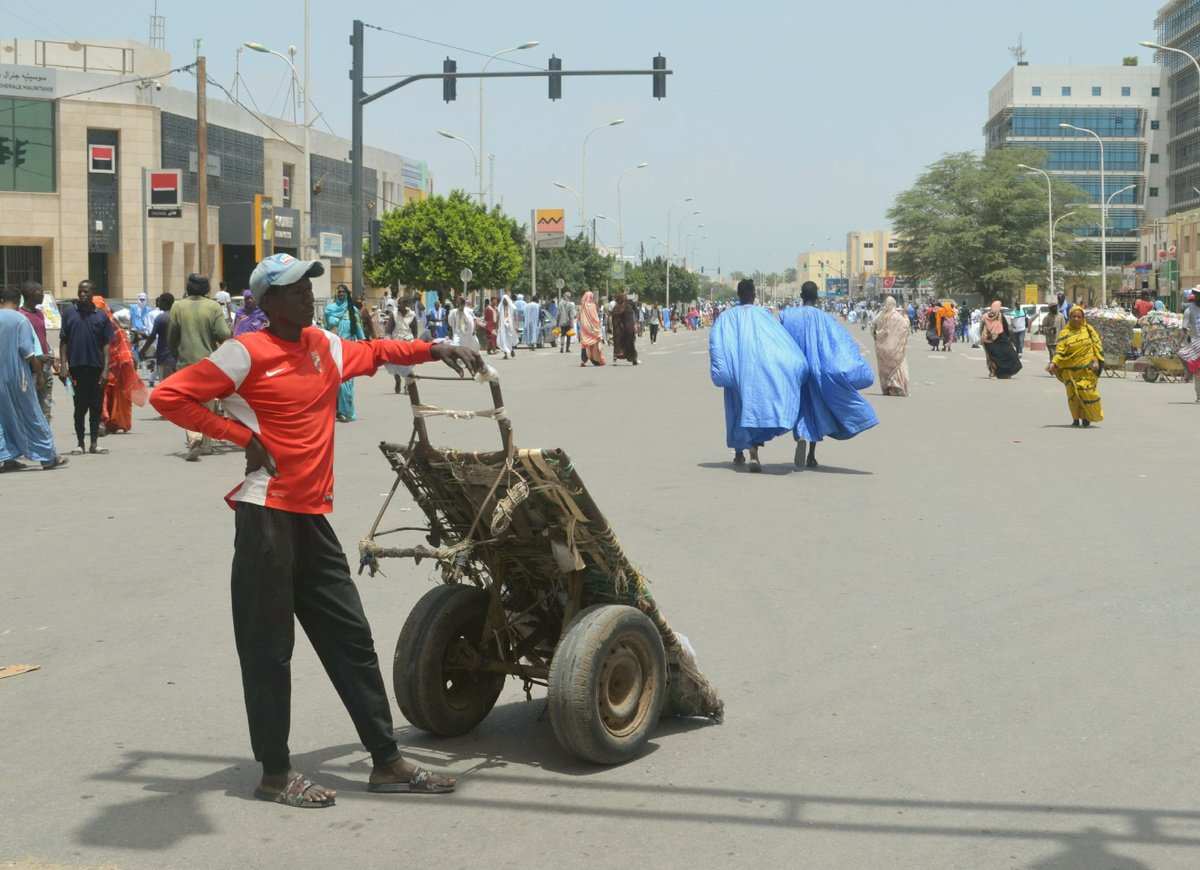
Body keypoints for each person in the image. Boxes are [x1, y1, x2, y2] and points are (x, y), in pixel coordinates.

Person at [150, 252, 479, 808]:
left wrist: (434, 348)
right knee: (269, 650)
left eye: (309, 286)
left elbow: (375, 352)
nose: (307, 295)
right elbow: (168, 395)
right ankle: (275, 774)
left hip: (311, 519)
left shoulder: (322, 345)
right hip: (266, 519)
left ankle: (386, 761)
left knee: (351, 638)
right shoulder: (244, 352)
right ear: (267, 302)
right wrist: (239, 436)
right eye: (294, 289)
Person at [709, 279, 807, 472]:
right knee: (758, 409)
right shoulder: (764, 314)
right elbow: (781, 341)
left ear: (738, 295)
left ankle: (741, 453)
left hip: (737, 372)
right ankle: (756, 447)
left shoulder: (726, 317)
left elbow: (716, 346)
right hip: (761, 371)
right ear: (754, 294)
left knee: (738, 410)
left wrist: (722, 371)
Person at [780, 282, 878, 468]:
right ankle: (811, 455)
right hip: (819, 372)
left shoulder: (788, 316)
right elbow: (840, 344)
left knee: (800, 407)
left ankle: (800, 436)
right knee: (817, 409)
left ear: (801, 295)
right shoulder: (827, 319)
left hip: (795, 371)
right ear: (817, 297)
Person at [0, 286, 68, 471]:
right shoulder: (21, 320)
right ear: (18, 302)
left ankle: (4, 457)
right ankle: (48, 456)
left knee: (2, 418)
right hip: (17, 377)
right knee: (32, 415)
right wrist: (38, 374)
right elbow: (28, 352)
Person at [169, 273, 232, 459]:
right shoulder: (213, 306)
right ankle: (205, 445)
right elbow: (224, 334)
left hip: (185, 364)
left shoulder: (177, 306)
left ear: (187, 289)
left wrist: (177, 356)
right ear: (206, 290)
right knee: (206, 406)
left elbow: (171, 339)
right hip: (209, 364)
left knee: (188, 405)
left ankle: (194, 437)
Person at [58, 281, 113, 455]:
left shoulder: (102, 316)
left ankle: (94, 442)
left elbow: (106, 345)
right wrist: (63, 367)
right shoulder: (69, 313)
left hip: (97, 368)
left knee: (96, 406)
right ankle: (80, 443)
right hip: (77, 368)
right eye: (80, 291)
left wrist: (106, 370)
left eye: (86, 291)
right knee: (79, 407)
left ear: (93, 293)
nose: (82, 294)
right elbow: (64, 341)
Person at [94, 296, 148, 434]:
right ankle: (103, 420)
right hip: (100, 363)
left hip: (113, 364)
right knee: (102, 393)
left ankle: (103, 421)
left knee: (105, 394)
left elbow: (121, 344)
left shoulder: (110, 323)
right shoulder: (96, 321)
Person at [1046, 305, 1104, 427]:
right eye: (1073, 316)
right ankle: (1076, 419)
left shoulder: (1088, 330)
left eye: (1079, 317)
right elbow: (1060, 350)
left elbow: (1096, 348)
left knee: (1088, 394)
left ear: (1082, 318)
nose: (1076, 319)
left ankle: (1087, 416)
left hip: (1087, 370)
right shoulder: (1065, 333)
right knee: (1073, 397)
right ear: (1070, 317)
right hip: (1070, 371)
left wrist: (1096, 361)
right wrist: (1053, 363)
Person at [322, 285, 365, 422]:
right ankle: (338, 411)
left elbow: (359, 332)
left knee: (345, 384)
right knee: (335, 382)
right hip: (332, 351)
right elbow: (323, 327)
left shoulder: (353, 311)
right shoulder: (329, 310)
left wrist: (363, 348)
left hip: (348, 351)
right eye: (339, 292)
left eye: (343, 292)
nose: (341, 294)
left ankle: (345, 411)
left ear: (347, 294)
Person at [19, 281, 57, 422]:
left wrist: (51, 356)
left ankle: (45, 435)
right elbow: (22, 344)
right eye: (40, 291)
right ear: (32, 293)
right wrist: (37, 356)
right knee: (30, 407)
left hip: (45, 369)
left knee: (46, 405)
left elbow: (42, 337)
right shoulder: (20, 315)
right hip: (30, 370)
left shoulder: (40, 313)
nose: (43, 294)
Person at [872, 296, 910, 397]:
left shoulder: (879, 315)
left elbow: (872, 328)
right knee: (896, 367)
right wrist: (905, 314)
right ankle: (894, 389)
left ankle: (885, 389)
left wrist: (878, 339)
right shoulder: (896, 316)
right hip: (894, 348)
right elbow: (905, 325)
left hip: (881, 348)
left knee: (883, 368)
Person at [141, 293, 177, 388]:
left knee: (166, 388)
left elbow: (152, 336)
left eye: (160, 302)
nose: (158, 304)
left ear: (164, 303)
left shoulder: (160, 319)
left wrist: (143, 350)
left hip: (165, 359)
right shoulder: (178, 316)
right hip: (178, 359)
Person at [980, 301, 1022, 379]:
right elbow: (1005, 328)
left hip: (987, 340)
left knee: (991, 357)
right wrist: (1008, 338)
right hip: (999, 339)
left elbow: (981, 327)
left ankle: (993, 372)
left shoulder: (985, 316)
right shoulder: (1000, 316)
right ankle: (1004, 373)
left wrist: (983, 338)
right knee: (1006, 356)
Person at [578, 291, 606, 367]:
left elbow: (579, 317)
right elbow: (595, 318)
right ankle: (596, 360)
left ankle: (583, 360)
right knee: (594, 343)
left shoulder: (582, 306)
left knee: (585, 344)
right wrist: (597, 327)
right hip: (592, 328)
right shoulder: (593, 306)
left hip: (584, 328)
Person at [611, 292, 639, 366]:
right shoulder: (627, 307)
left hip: (617, 331)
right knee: (630, 344)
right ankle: (634, 359)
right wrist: (631, 330)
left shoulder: (616, 308)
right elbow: (629, 320)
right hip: (626, 330)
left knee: (618, 345)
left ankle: (615, 359)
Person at [496, 293, 518, 359]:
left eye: (506, 300)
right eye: (504, 300)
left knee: (510, 338)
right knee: (503, 339)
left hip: (511, 326)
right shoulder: (500, 308)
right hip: (502, 326)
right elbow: (498, 317)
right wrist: (496, 326)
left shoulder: (513, 307)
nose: (505, 301)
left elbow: (516, 317)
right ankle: (505, 354)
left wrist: (517, 325)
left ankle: (511, 350)